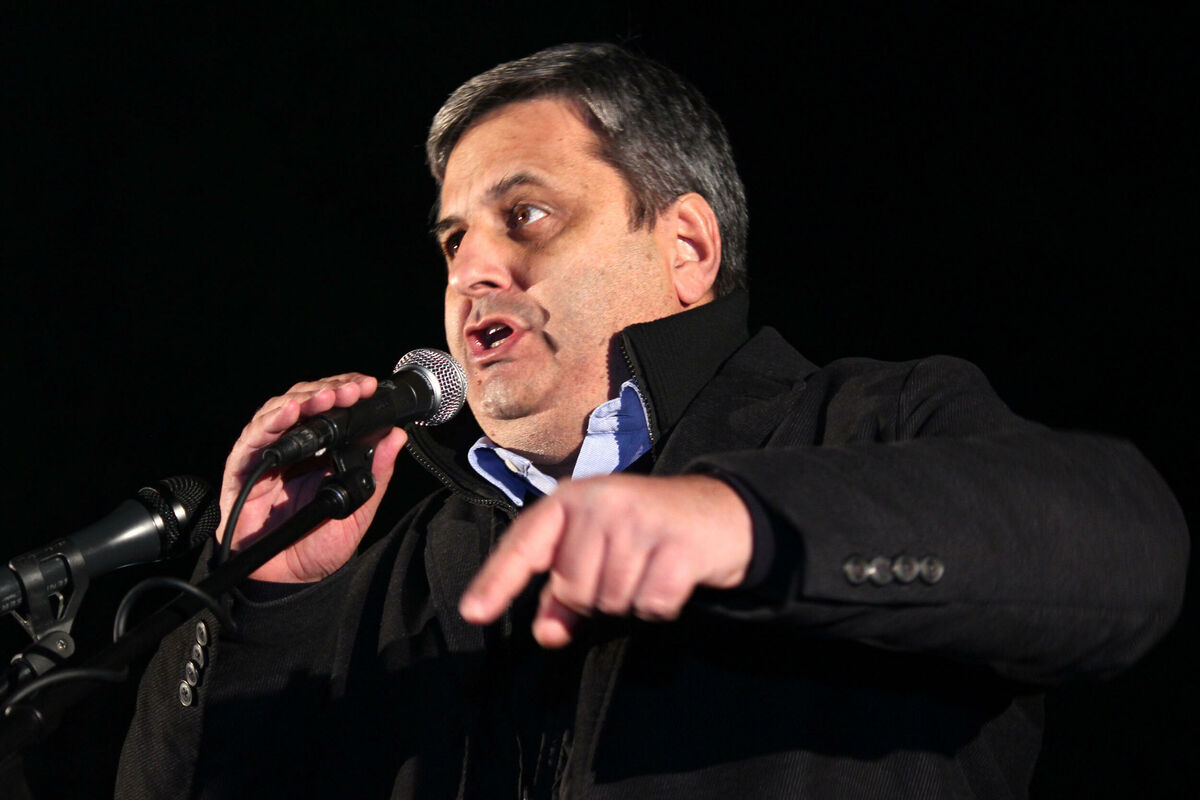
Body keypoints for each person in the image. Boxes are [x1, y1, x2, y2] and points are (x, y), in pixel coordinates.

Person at [117, 43, 1188, 799]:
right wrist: (262, 601)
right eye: (452, 241)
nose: (472, 268)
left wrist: (741, 525)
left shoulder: (862, 422)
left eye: (525, 215)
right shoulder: (415, 566)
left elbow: (1120, 550)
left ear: (687, 248)